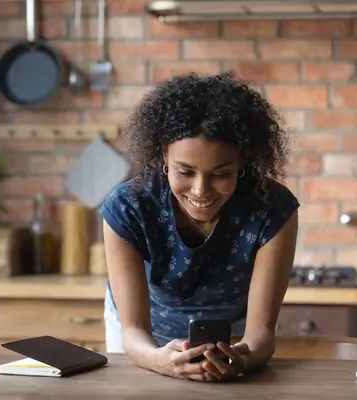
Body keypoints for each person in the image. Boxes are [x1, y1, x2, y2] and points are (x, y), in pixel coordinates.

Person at [99, 71, 300, 382]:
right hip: (145, 343)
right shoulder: (127, 207)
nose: (200, 190)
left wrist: (242, 359)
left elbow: (261, 335)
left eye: (220, 174)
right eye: (185, 172)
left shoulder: (273, 209)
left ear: (242, 162)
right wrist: (158, 360)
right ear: (164, 153)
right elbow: (133, 331)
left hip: (231, 342)